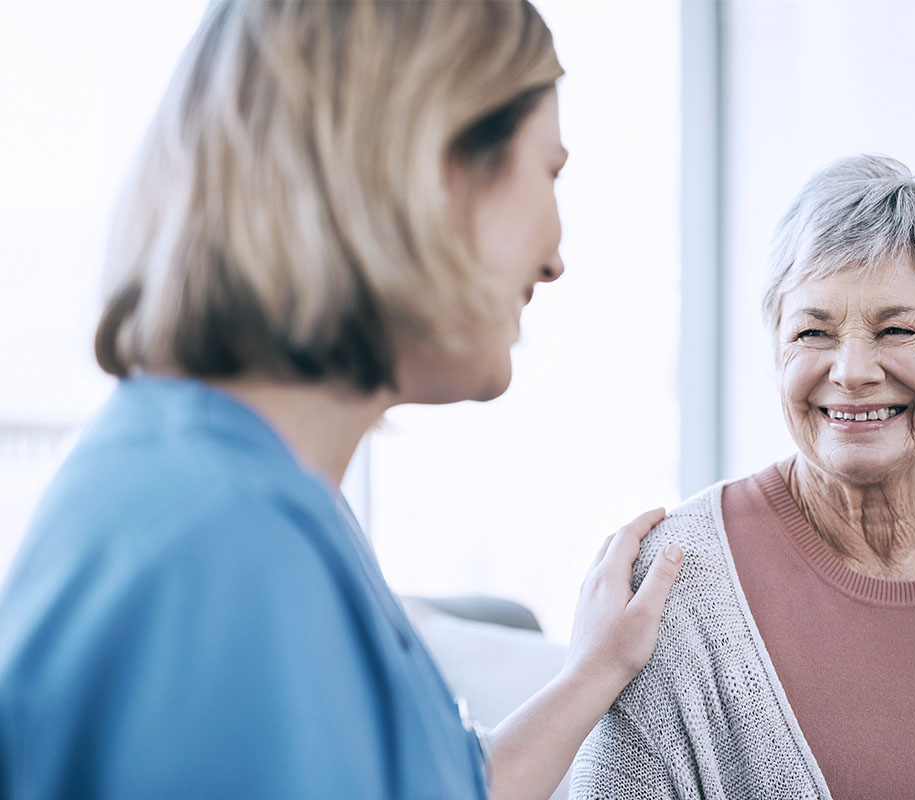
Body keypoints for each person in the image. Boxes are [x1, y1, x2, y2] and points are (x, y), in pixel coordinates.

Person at [0, 2, 684, 799]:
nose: (558, 254)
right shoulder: (221, 552)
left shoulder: (271, 504)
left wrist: (594, 671)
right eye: (550, 172)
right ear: (426, 168)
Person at [572, 155, 915, 799]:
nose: (851, 370)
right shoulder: (667, 587)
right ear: (777, 352)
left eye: (897, 329)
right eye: (813, 331)